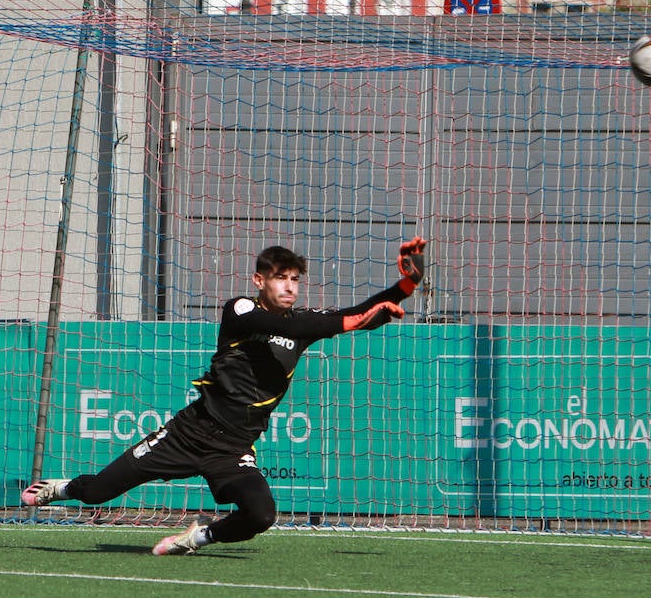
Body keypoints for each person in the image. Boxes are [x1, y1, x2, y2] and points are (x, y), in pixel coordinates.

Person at [22, 237, 428, 555]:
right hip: (187, 434)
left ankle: (196, 539)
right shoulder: (240, 310)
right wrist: (359, 321)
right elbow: (311, 327)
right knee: (96, 492)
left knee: (261, 515)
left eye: (295, 279)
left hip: (233, 449)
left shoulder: (303, 322)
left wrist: (408, 283)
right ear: (259, 281)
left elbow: (362, 308)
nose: (289, 287)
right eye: (280, 277)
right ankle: (58, 488)